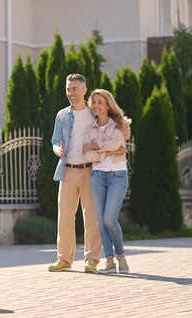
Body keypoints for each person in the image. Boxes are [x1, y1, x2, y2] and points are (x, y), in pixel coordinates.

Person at [48, 74, 102, 273]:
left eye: (75, 88)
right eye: (69, 89)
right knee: (65, 217)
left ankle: (92, 260)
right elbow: (54, 140)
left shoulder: (95, 114)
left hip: (91, 171)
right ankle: (64, 259)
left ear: (84, 90)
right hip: (68, 171)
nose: (71, 93)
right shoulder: (62, 115)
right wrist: (57, 150)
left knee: (92, 217)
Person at [82, 89, 131, 274]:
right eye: (93, 102)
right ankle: (109, 261)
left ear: (108, 104)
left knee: (110, 219)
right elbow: (87, 154)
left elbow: (115, 143)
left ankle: (121, 256)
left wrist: (96, 147)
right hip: (97, 177)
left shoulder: (120, 125)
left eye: (99, 102)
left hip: (117, 176)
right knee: (101, 221)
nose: (95, 105)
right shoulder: (90, 129)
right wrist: (109, 151)